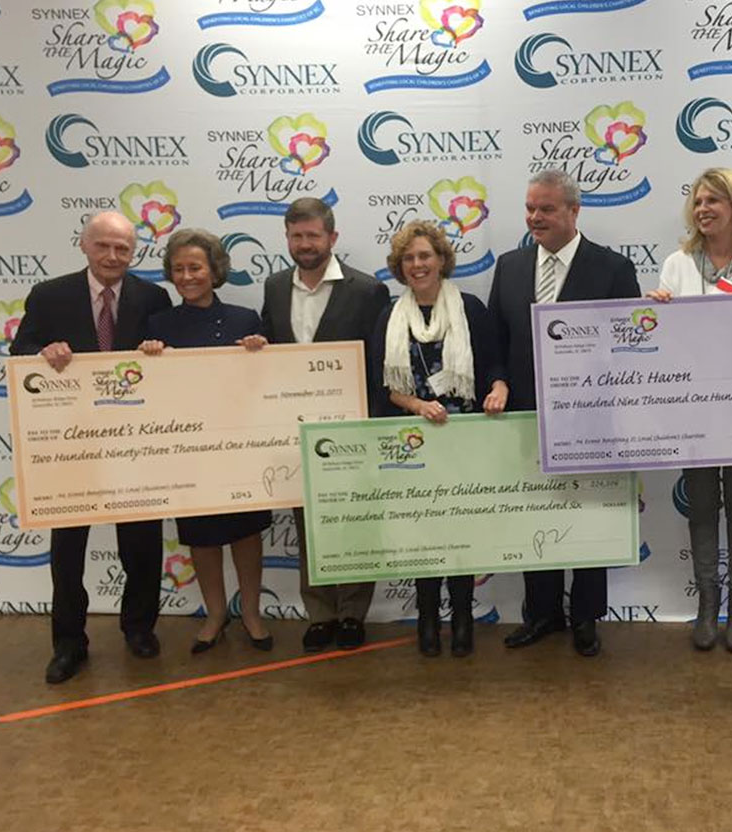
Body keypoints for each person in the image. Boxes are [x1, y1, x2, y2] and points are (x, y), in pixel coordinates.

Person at [9, 211, 175, 684]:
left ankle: (139, 628)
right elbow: (21, 352)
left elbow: (172, 365)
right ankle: (68, 643)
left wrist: (159, 352)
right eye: (103, 245)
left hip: (134, 441)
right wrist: (42, 353)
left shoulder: (154, 298)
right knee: (67, 549)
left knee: (142, 542)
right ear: (84, 245)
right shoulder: (49, 295)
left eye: (123, 248)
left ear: (134, 252)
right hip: (69, 442)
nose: (112, 256)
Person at [488, 169, 641, 656]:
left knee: (588, 517)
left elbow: (632, 344)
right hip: (526, 416)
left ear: (574, 211)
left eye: (546, 209)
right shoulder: (510, 266)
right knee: (537, 514)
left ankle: (586, 617)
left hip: (592, 419)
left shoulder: (613, 268)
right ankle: (543, 613)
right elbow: (495, 339)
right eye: (530, 208)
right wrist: (499, 381)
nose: (535, 217)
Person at [646, 168, 732, 653]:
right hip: (694, 409)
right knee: (703, 509)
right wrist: (656, 315)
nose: (703, 209)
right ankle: (708, 606)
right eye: (698, 202)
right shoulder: (677, 264)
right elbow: (661, 344)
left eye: (713, 201)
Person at [366, 220, 509, 657]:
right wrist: (417, 406)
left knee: (460, 532)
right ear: (400, 266)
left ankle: (463, 617)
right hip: (413, 443)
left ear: (442, 260)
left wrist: (499, 387)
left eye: (425, 255)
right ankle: (427, 618)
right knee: (423, 535)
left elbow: (494, 364)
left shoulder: (471, 309)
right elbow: (381, 386)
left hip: (464, 443)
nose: (417, 264)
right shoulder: (389, 316)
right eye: (409, 258)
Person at [260, 197, 391, 652]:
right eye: (296, 236)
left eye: (313, 235)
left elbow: (378, 363)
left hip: (352, 428)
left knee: (354, 521)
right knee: (307, 525)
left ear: (332, 237)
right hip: (295, 427)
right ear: (287, 238)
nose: (305, 244)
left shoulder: (367, 290)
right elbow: (271, 353)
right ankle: (320, 613)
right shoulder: (275, 287)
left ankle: (352, 613)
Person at [137, 229, 274, 655]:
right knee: (202, 537)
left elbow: (264, 384)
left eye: (195, 267)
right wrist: (148, 357)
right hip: (189, 450)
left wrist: (259, 352)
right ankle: (215, 614)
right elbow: (147, 391)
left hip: (239, 446)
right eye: (178, 269)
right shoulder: (159, 325)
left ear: (215, 271)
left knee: (246, 533)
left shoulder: (245, 320)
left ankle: (251, 613)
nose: (186, 276)